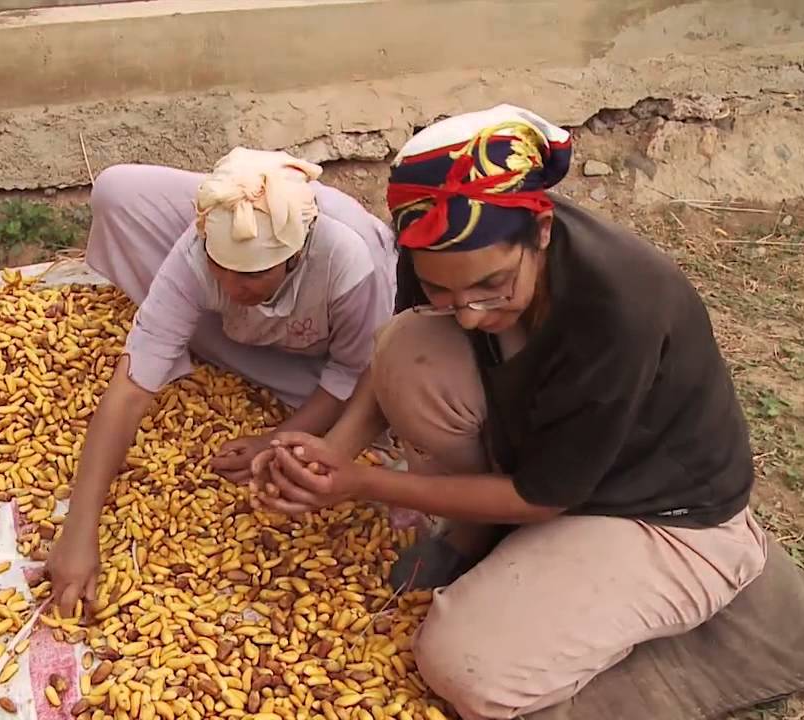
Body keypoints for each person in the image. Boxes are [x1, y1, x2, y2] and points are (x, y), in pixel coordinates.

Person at [251, 105, 769, 720]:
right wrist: (336, 450)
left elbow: (543, 498)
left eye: (491, 286)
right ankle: (485, 535)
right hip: (555, 464)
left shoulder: (619, 309)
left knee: (465, 667)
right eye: (444, 290)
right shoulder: (445, 239)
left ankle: (701, 569)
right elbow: (396, 354)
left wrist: (362, 482)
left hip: (663, 514)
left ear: (542, 231)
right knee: (407, 348)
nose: (467, 313)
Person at [46, 147, 396, 614]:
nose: (232, 288)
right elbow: (130, 389)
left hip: (327, 345)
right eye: (220, 269)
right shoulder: (196, 252)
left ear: (294, 256)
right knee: (118, 192)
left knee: (383, 397)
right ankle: (240, 339)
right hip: (259, 330)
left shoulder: (348, 257)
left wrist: (276, 439)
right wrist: (78, 530)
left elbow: (351, 372)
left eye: (252, 275)